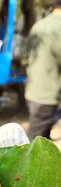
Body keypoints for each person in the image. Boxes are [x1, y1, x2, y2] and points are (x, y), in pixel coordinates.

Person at [25, 0, 61, 141]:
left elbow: (27, 56)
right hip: (47, 93)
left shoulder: (39, 25)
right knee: (34, 141)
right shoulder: (58, 28)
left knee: (42, 139)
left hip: (34, 88)